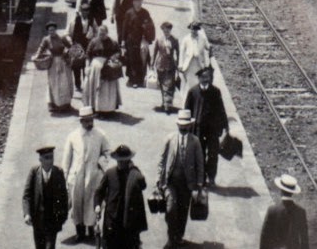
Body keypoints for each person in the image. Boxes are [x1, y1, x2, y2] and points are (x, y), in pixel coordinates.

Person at [157, 109, 205, 248]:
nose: (183, 128)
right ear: (177, 125)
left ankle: (178, 236)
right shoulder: (170, 139)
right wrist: (158, 180)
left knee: (183, 211)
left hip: (187, 184)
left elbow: (200, 163)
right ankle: (171, 237)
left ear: (190, 126)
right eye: (181, 126)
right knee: (171, 209)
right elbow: (161, 160)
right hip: (170, 181)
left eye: (186, 126)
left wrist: (199, 184)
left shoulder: (195, 142)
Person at [62, 107, 110, 243]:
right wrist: (65, 176)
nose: (90, 123)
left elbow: (107, 152)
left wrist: (100, 166)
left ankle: (91, 231)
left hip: (93, 175)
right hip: (76, 176)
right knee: (77, 204)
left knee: (91, 203)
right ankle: (79, 232)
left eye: (91, 120)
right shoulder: (73, 137)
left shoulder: (100, 135)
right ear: (81, 121)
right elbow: (66, 159)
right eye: (87, 121)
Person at [94, 145, 148, 249]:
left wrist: (135, 169)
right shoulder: (110, 173)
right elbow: (99, 192)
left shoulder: (134, 174)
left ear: (129, 160)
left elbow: (143, 185)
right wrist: (97, 205)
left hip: (128, 220)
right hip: (112, 218)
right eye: (119, 161)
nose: (121, 163)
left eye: (124, 161)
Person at [184, 66, 229, 185]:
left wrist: (225, 125)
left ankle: (212, 176)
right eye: (203, 77)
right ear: (199, 79)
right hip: (198, 129)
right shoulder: (193, 92)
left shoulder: (215, 91)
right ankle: (201, 177)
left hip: (213, 129)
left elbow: (221, 109)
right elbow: (186, 110)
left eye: (208, 77)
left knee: (213, 154)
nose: (205, 80)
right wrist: (185, 126)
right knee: (200, 154)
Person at [24, 145, 70, 249]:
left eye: (51, 157)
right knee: (39, 246)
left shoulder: (58, 172)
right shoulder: (34, 172)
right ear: (40, 159)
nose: (50, 161)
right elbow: (27, 195)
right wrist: (27, 214)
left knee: (50, 246)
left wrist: (63, 216)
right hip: (37, 220)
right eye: (46, 158)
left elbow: (64, 196)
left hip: (52, 221)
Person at [259, 174, 309, 249]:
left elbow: (265, 236)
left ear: (281, 191)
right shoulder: (301, 212)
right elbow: (304, 238)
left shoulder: (272, 210)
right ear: (292, 192)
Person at [34, 23, 74, 112]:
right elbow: (41, 48)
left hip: (63, 62)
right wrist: (37, 56)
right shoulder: (46, 39)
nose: (51, 31)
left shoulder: (62, 38)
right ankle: (54, 103)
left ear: (55, 30)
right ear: (48, 31)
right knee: (54, 83)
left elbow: (70, 47)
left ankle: (65, 104)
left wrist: (69, 54)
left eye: (53, 30)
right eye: (50, 30)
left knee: (64, 82)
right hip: (52, 64)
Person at [83, 25, 121, 114]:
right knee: (96, 88)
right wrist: (87, 66)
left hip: (108, 67)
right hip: (95, 68)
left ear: (107, 33)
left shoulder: (112, 42)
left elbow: (118, 52)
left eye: (103, 33)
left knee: (107, 89)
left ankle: (108, 109)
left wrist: (114, 57)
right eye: (100, 33)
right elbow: (88, 54)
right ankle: (95, 107)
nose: (101, 35)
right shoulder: (93, 41)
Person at [120, 0, 154, 88]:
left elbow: (150, 26)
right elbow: (124, 28)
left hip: (141, 40)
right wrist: (123, 41)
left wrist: (147, 36)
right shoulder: (129, 13)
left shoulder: (145, 13)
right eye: (136, 1)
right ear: (133, 2)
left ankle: (140, 79)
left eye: (140, 1)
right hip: (131, 40)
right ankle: (132, 80)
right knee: (131, 59)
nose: (138, 3)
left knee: (142, 60)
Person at [150, 21, 180, 112]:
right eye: (164, 30)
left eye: (168, 30)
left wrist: (178, 64)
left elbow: (178, 53)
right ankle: (164, 102)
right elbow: (154, 52)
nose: (166, 32)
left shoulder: (174, 40)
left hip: (171, 65)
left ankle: (168, 104)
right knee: (162, 85)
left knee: (170, 85)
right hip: (160, 64)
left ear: (170, 30)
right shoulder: (159, 40)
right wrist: (152, 64)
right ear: (162, 30)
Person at [177, 22, 211, 95]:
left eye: (195, 29)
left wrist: (206, 63)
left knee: (197, 83)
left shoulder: (202, 38)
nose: (193, 31)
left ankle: (196, 100)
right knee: (189, 83)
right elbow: (181, 52)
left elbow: (208, 48)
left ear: (198, 30)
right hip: (189, 64)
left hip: (199, 64)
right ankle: (187, 100)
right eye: (192, 29)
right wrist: (180, 64)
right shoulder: (186, 39)